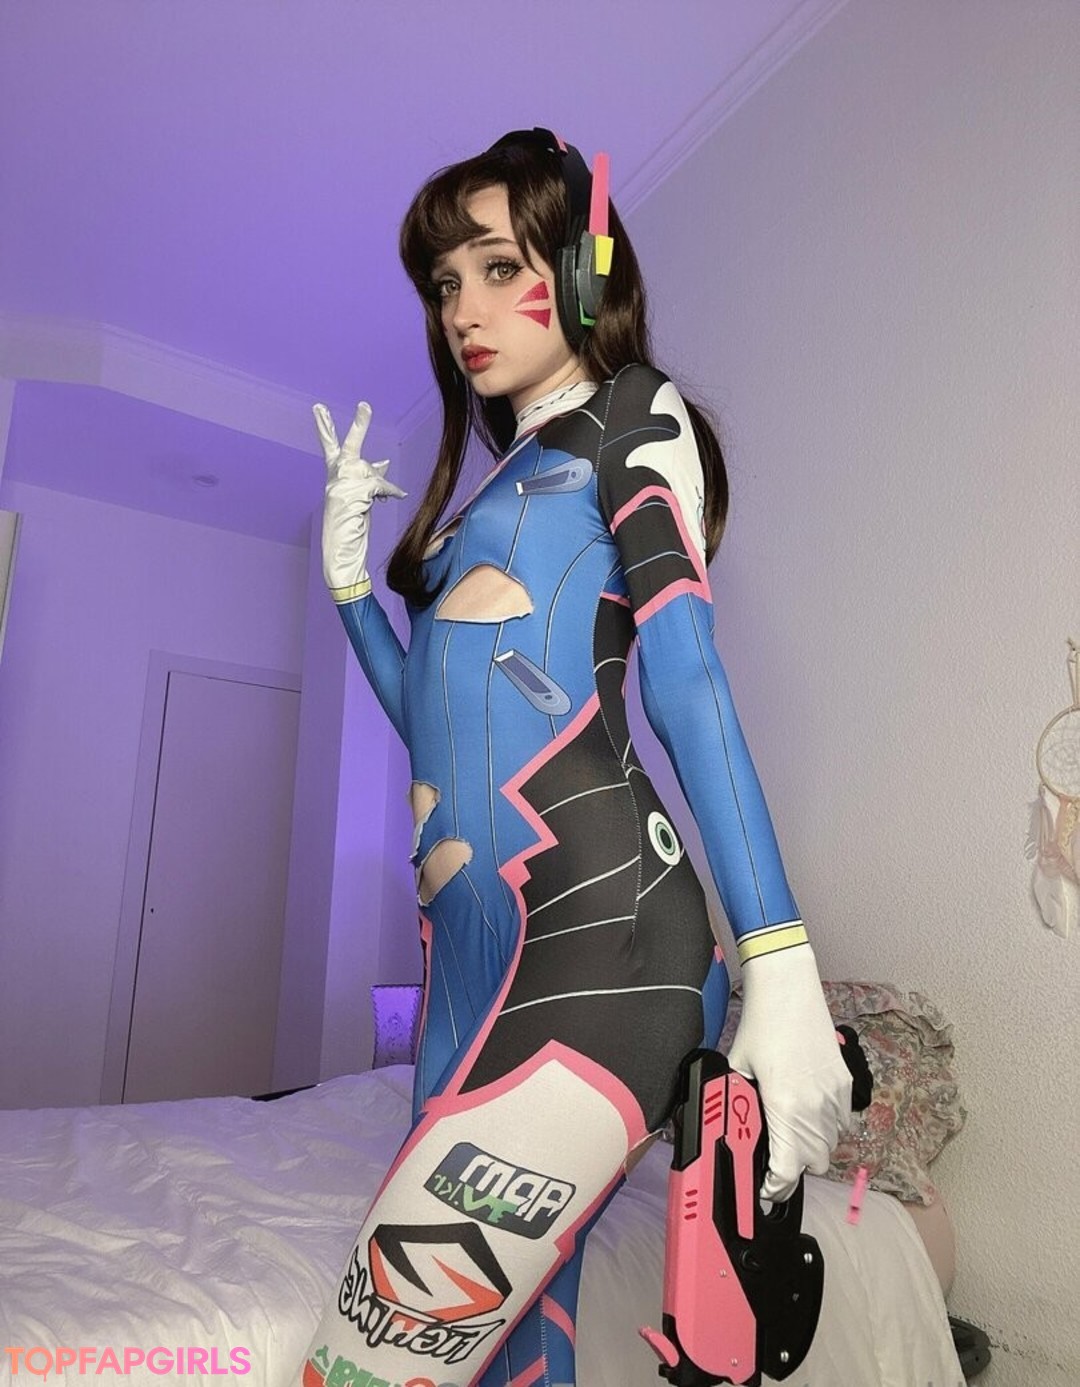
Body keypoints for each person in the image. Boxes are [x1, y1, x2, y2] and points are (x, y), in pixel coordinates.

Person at [300, 127, 851, 1387]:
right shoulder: (486, 500)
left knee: (370, 1365)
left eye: (499, 268)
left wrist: (778, 957)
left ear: (586, 274)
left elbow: (686, 675)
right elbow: (432, 725)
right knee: (507, 1353)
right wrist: (349, 589)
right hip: (464, 967)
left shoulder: (633, 417)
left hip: (601, 942)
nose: (463, 310)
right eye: (446, 282)